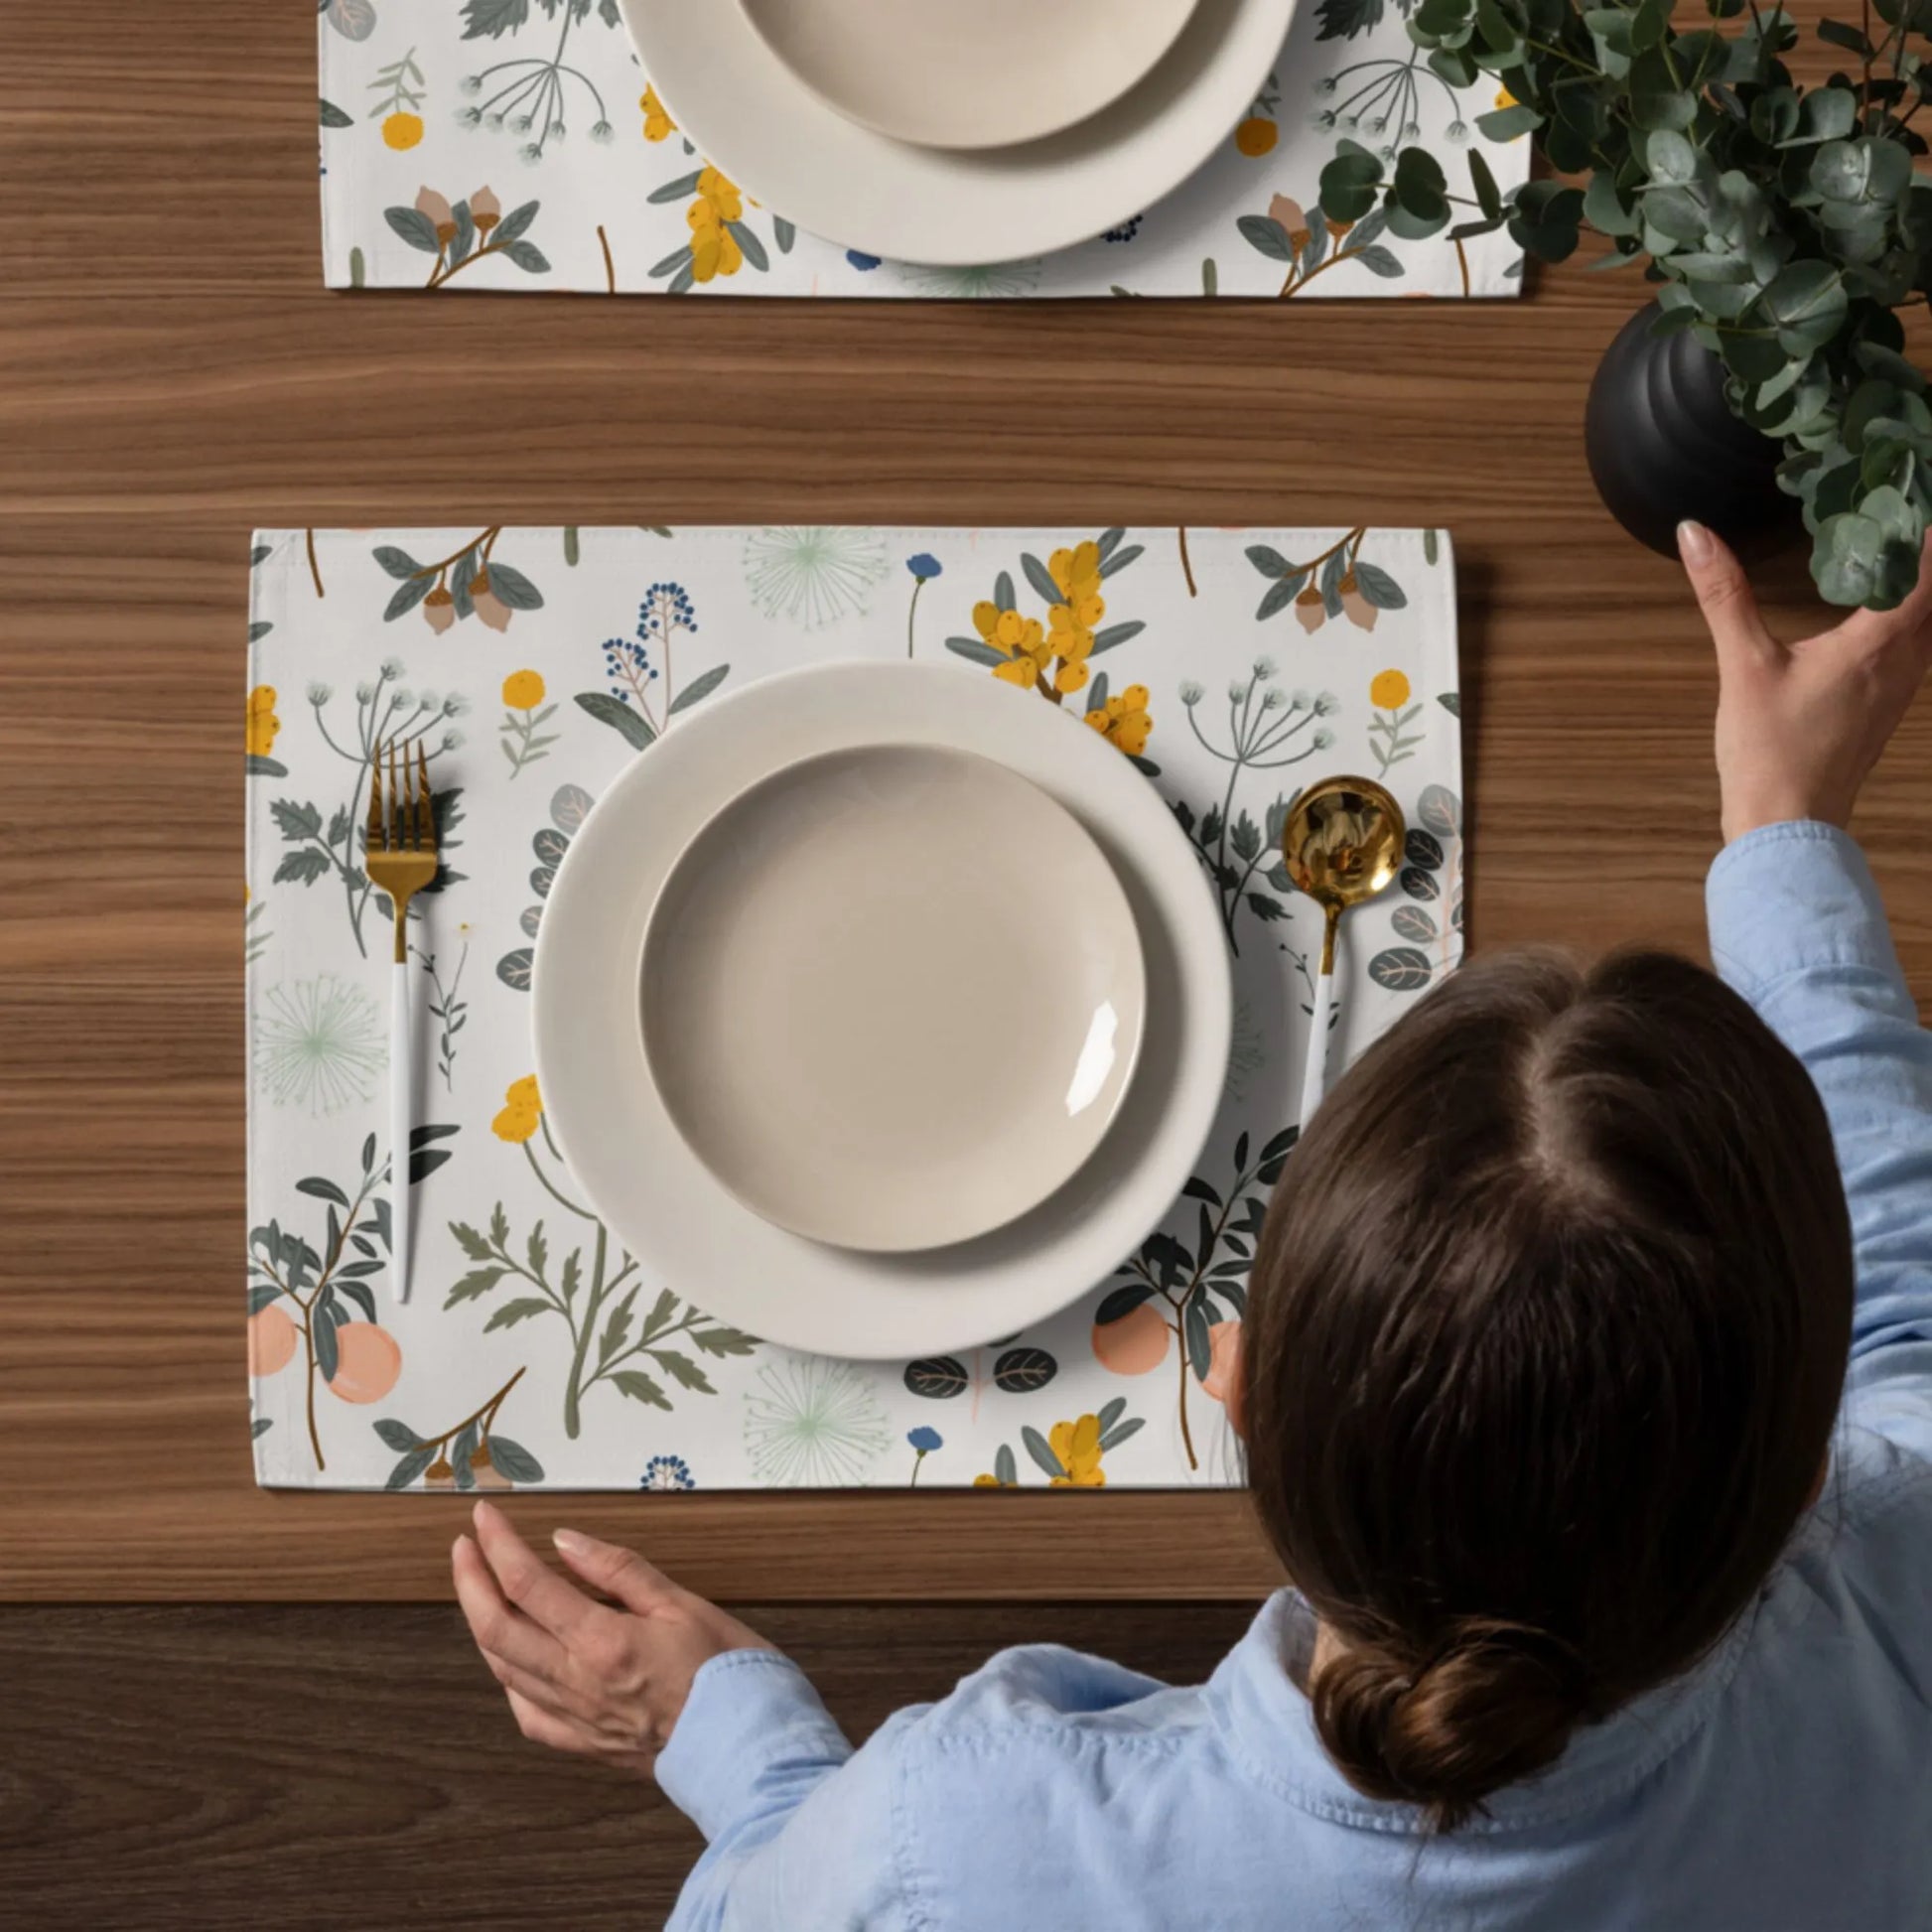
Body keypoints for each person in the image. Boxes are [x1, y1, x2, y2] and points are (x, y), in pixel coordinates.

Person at [451, 521, 1932, 1930]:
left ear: (1231, 1389)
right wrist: (1781, 829)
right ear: (1802, 1476)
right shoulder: (1896, 1597)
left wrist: (738, 1751)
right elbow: (1906, 1323)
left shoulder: (954, 1846)